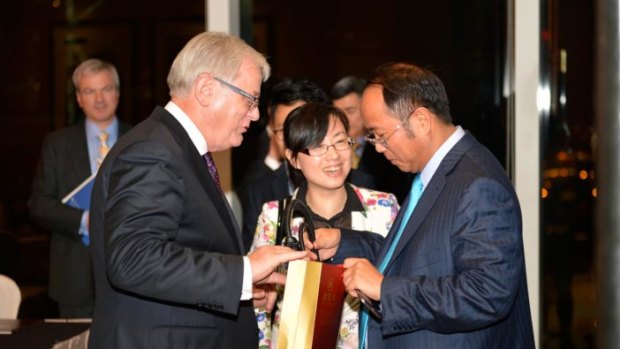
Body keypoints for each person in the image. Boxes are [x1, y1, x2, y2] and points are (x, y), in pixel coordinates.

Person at [87, 32, 307, 349]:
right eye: (250, 100)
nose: (256, 115)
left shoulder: (176, 148)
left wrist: (240, 286)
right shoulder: (154, 150)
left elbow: (182, 247)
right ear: (206, 89)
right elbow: (134, 258)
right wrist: (243, 273)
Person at [310, 62, 535, 348]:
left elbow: (487, 293)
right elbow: (416, 255)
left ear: (421, 121)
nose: (378, 147)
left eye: (381, 134)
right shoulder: (434, 174)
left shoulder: (478, 184)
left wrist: (384, 289)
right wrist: (343, 242)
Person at [251, 103, 400, 349]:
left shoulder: (383, 206)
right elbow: (260, 307)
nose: (333, 156)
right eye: (318, 146)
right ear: (293, 158)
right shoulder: (274, 216)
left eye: (341, 142)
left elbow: (401, 280)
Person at [28, 58, 131, 318]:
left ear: (117, 93)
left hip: (133, 273)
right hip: (74, 280)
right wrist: (86, 220)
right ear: (79, 98)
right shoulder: (57, 144)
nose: (99, 99)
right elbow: (39, 204)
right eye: (89, 91)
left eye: (106, 89)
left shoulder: (139, 140)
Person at [239, 78, 375, 252]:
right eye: (283, 130)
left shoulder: (373, 196)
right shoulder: (265, 203)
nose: (292, 137)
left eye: (303, 128)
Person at [331, 75, 413, 204]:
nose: (343, 118)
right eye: (338, 112)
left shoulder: (387, 147)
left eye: (350, 111)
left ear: (365, 109)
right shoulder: (329, 149)